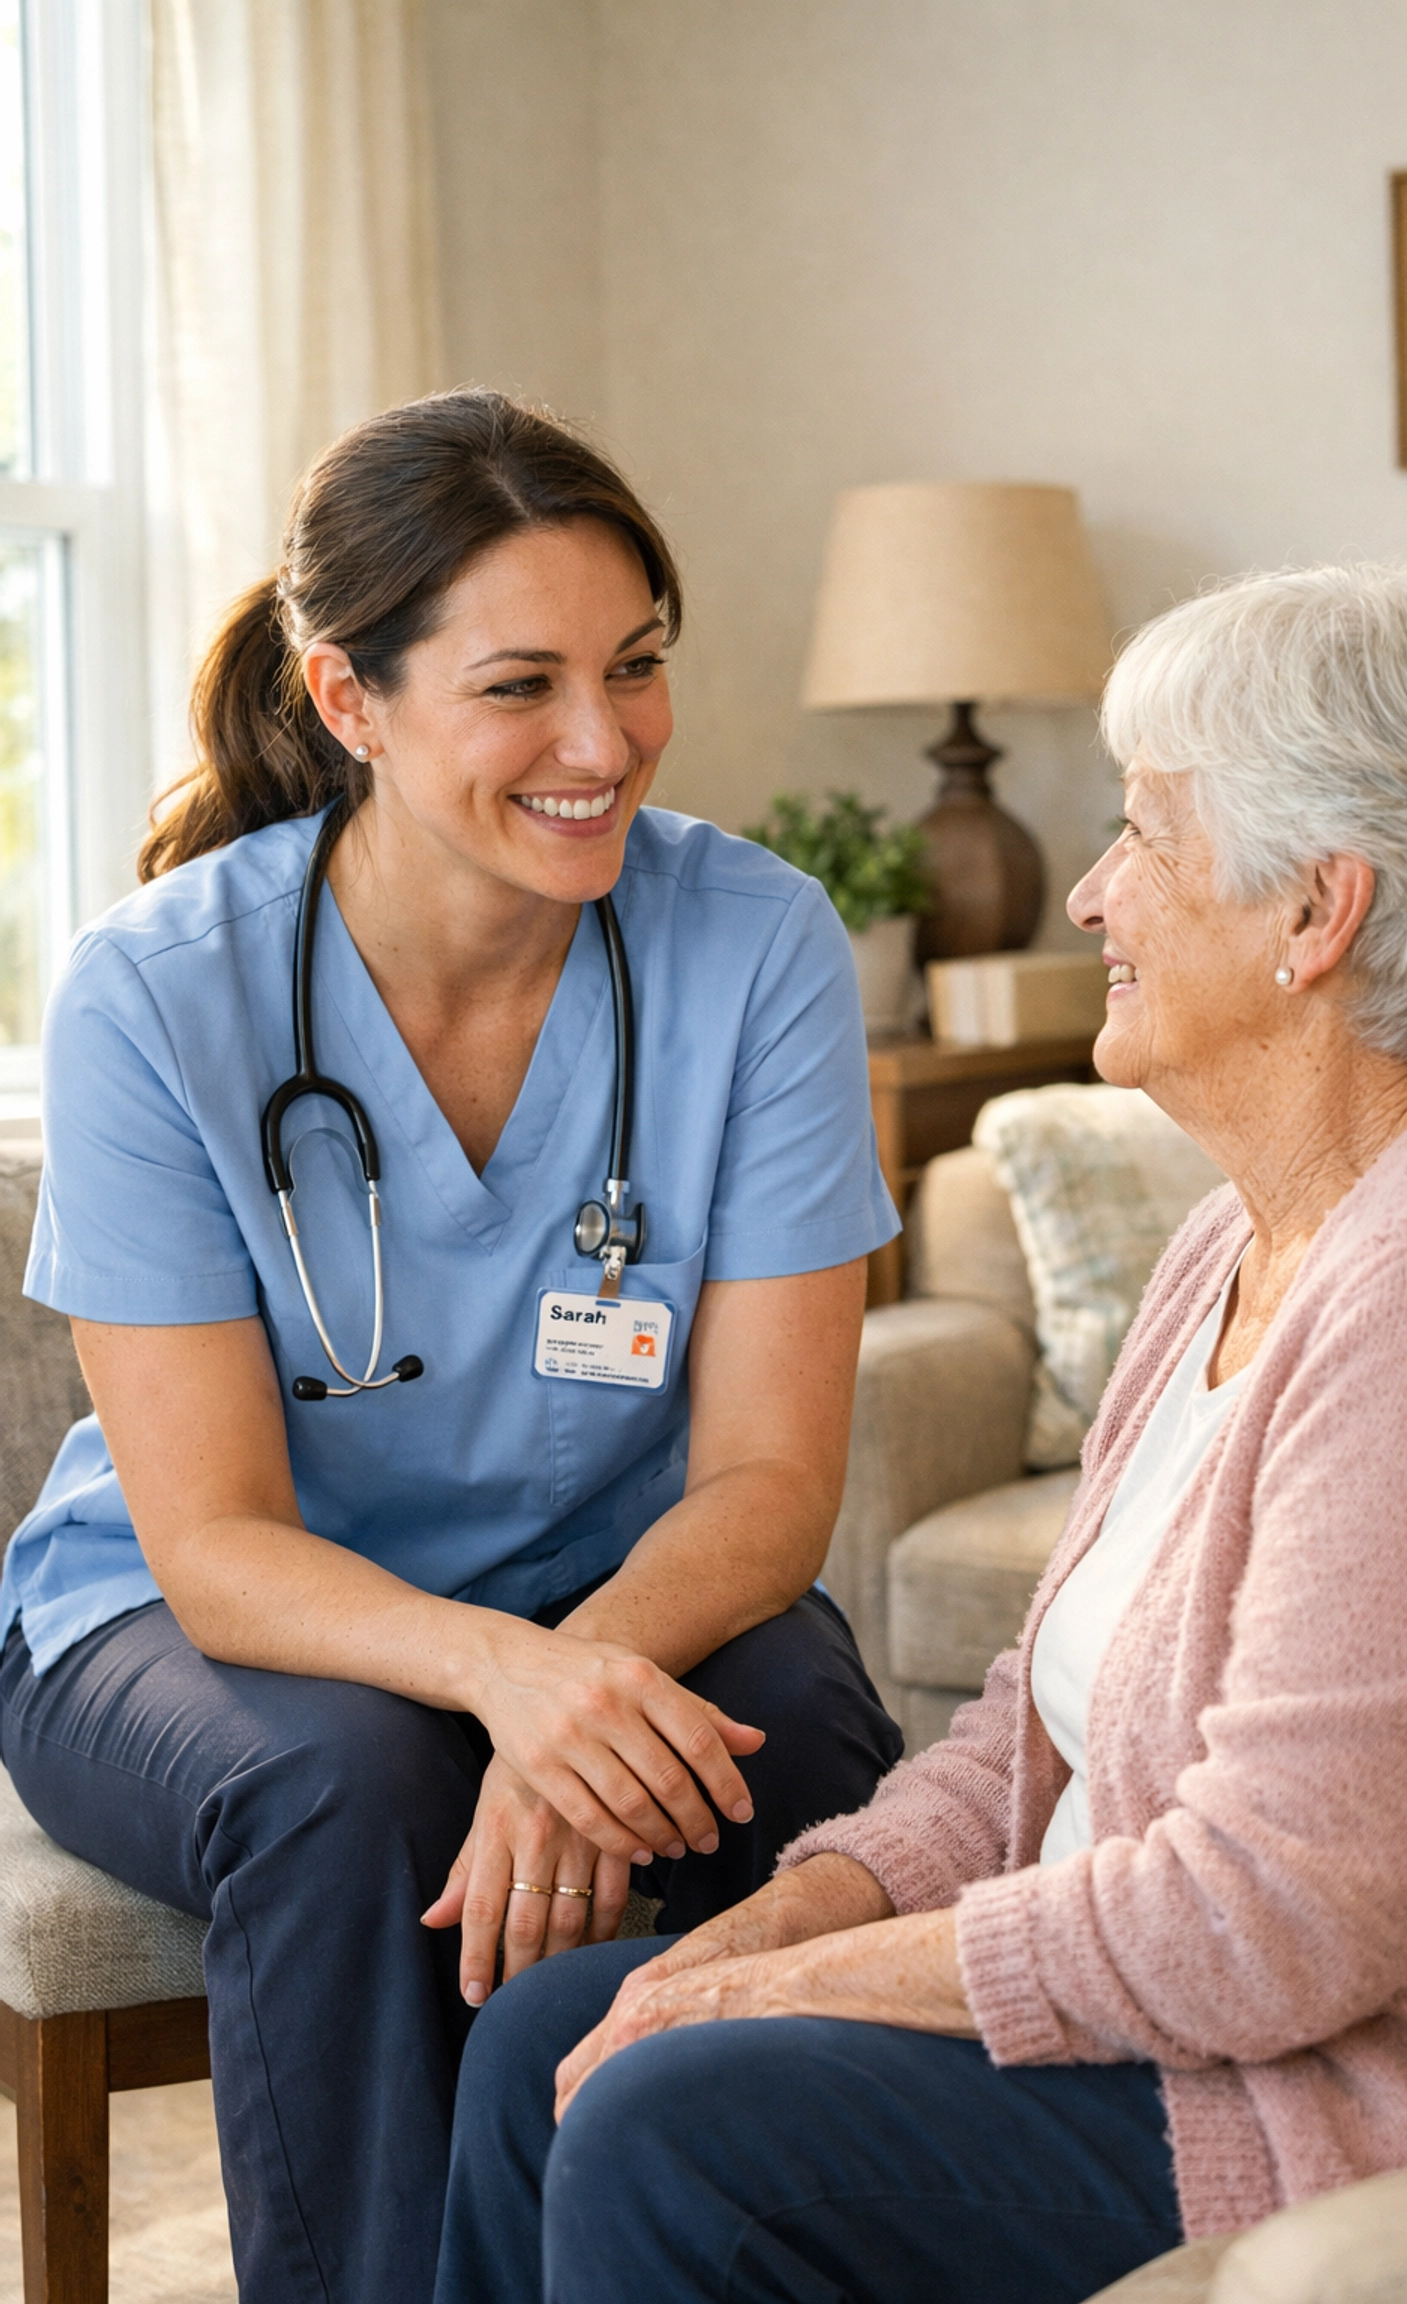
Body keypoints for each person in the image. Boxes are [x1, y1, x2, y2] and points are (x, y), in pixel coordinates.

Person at [435, 563, 1407, 2304]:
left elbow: (1274, 1922)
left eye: (1144, 838)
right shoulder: (1238, 1237)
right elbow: (1030, 1729)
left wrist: (779, 1990)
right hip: (1160, 2021)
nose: (1094, 894)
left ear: (1317, 913)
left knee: (672, 2125)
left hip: (1325, 2086)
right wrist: (795, 1913)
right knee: (547, 2034)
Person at [0, 389, 904, 2304]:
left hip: (614, 1581)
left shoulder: (759, 947)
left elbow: (768, 1483)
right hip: (201, 1625)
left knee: (805, 1734)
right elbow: (219, 1542)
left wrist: (561, 1691)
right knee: (351, 1788)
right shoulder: (157, 995)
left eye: (638, 668)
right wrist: (514, 1693)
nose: (606, 745)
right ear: (349, 700)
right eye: (523, 687)